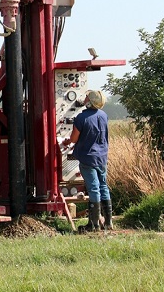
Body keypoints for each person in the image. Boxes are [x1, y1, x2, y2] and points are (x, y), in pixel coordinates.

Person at [62, 90, 113, 231]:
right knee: (103, 186)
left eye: (87, 97)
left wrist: (67, 142)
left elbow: (74, 139)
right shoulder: (104, 115)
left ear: (90, 102)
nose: (84, 99)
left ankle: (94, 224)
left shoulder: (81, 118)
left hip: (87, 158)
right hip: (102, 157)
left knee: (94, 189)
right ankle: (108, 222)